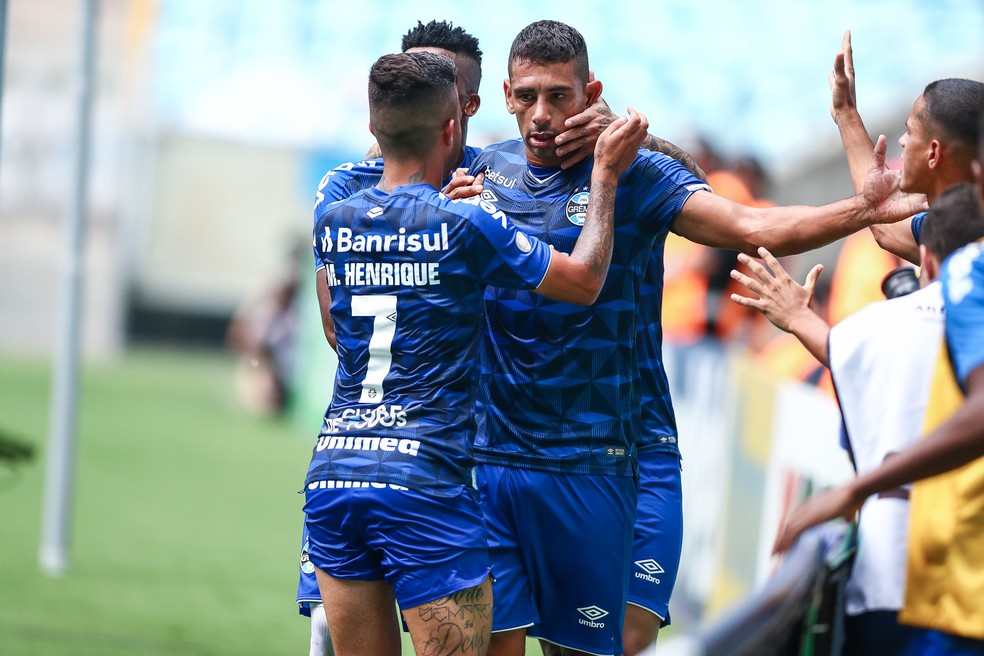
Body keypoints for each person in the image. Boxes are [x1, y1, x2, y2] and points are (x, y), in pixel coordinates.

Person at [464, 19, 924, 656]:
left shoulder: (638, 174)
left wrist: (864, 208)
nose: (541, 115)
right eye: (527, 97)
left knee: (618, 643)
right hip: (500, 461)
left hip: (615, 457)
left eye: (560, 97)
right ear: (507, 96)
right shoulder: (478, 175)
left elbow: (752, 223)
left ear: (590, 92)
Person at [294, 20, 707, 656]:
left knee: (611, 637)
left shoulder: (340, 207)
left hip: (348, 462)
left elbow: (337, 326)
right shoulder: (463, 213)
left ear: (468, 108)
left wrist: (623, 145)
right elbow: (582, 279)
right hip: (440, 468)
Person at [730, 183, 984, 655]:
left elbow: (847, 375)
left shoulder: (872, 329)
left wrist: (798, 318)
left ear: (925, 259)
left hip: (891, 576)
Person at [828, 31, 984, 264]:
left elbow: (887, 231)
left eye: (910, 131)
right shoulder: (948, 226)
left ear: (933, 153)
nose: (902, 140)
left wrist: (846, 114)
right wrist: (846, 114)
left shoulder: (964, 242)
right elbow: (888, 231)